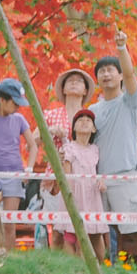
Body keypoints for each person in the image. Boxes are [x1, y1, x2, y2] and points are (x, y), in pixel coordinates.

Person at [92, 34, 137, 274]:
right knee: (96, 234)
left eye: (111, 70)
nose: (106, 75)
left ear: (120, 75)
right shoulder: (94, 110)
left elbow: (132, 77)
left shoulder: (130, 102)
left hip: (126, 178)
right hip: (98, 181)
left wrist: (121, 47)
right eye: (101, 71)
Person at [43, 109, 103, 259]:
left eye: (88, 120)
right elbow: (67, 171)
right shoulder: (69, 148)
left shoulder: (95, 149)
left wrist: (101, 182)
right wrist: (69, 194)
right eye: (80, 119)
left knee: (92, 234)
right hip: (75, 194)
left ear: (94, 129)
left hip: (92, 197)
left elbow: (97, 171)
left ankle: (98, 267)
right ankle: (72, 269)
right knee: (70, 236)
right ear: (73, 128)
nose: (84, 121)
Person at [0, 78, 34, 235]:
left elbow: (33, 146)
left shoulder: (19, 119)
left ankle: (8, 256)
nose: (17, 107)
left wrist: (28, 169)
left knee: (9, 222)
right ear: (2, 100)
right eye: (15, 103)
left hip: (15, 174)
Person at [46, 68, 93, 146]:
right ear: (63, 89)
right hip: (56, 157)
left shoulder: (91, 117)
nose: (74, 82)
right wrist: (49, 131)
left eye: (79, 81)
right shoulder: (51, 115)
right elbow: (32, 143)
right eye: (70, 80)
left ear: (85, 91)